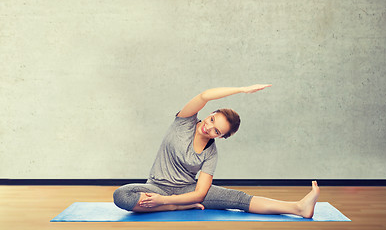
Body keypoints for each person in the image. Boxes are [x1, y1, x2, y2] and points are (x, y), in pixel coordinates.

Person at [113, 84, 320, 218]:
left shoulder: (211, 154)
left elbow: (200, 193)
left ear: (221, 136)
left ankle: (298, 207)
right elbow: (204, 95)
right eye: (211, 119)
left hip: (188, 192)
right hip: (157, 187)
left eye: (216, 130)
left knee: (239, 199)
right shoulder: (184, 122)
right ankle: (176, 208)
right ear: (210, 113)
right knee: (122, 196)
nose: (208, 127)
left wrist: (164, 201)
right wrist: (241, 90)